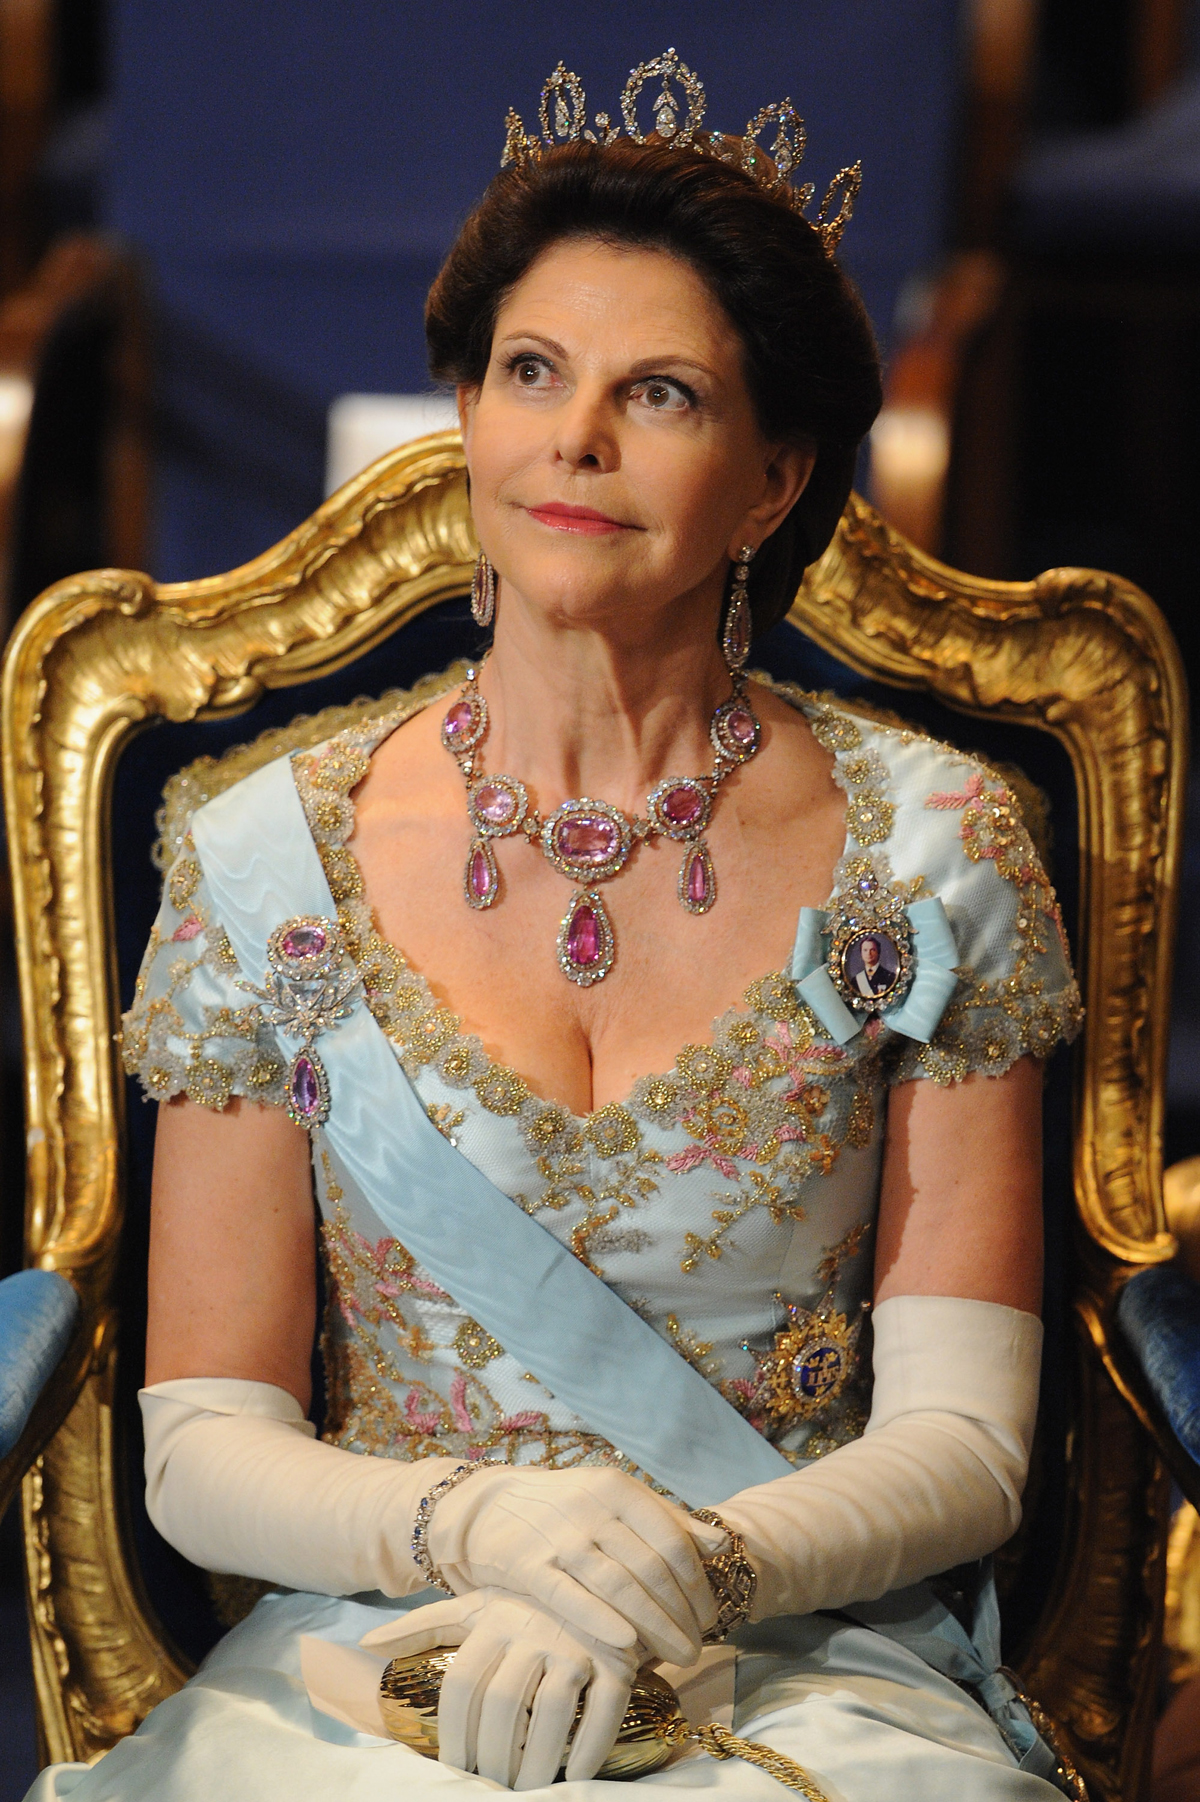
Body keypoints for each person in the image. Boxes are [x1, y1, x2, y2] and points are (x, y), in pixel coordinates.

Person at [28, 52, 1083, 1802]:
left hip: (801, 1651)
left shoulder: (936, 846)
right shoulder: (265, 854)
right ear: (468, 418)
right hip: (376, 1648)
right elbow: (206, 1442)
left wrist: (690, 1573)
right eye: (532, 373)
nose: (576, 437)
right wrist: (490, 1523)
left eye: (659, 393)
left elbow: (966, 1446)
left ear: (771, 479)